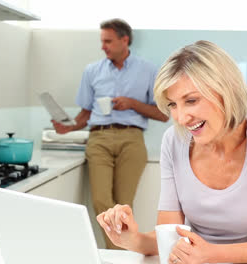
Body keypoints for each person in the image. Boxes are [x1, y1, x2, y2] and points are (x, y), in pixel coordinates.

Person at [96, 40, 247, 263]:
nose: (182, 118)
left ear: (226, 91)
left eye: (191, 100)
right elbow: (168, 236)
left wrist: (210, 254)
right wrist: (131, 240)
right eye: (173, 105)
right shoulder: (174, 142)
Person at [51, 18, 168, 249]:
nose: (103, 46)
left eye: (108, 41)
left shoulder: (148, 70)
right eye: (102, 41)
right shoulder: (92, 71)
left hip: (131, 139)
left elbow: (163, 114)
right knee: (101, 201)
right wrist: (69, 127)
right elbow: (85, 114)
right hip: (99, 138)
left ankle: (117, 255)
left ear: (124, 40)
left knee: (124, 204)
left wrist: (132, 103)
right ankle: (122, 255)